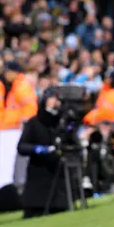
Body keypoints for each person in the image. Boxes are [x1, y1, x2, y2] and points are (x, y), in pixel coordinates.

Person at [16, 87, 68, 219]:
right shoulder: (34, 123)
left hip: (57, 177)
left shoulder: (61, 122)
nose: (55, 102)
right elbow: (22, 147)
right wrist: (37, 149)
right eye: (52, 98)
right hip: (38, 177)